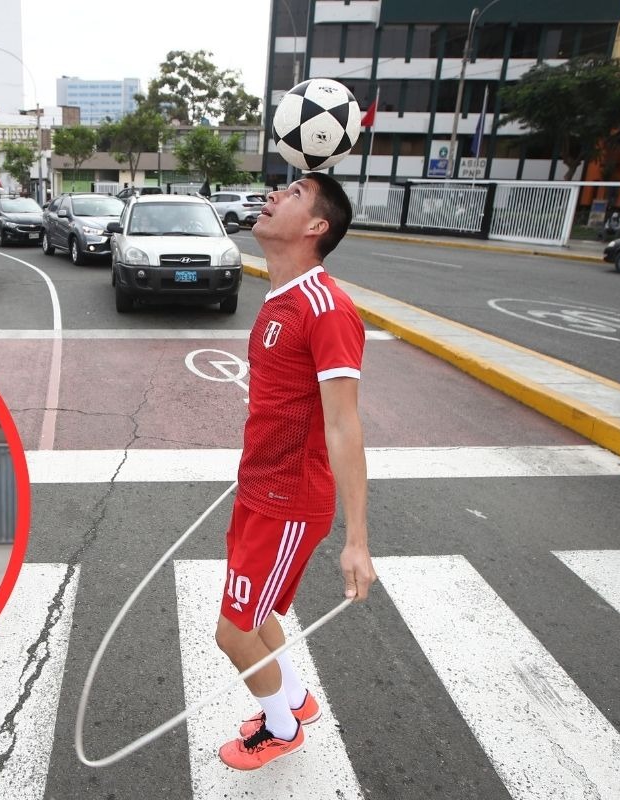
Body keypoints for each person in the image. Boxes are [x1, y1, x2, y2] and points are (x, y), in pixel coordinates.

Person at [214, 172, 377, 770]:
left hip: (288, 501)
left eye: (295, 194)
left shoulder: (326, 309)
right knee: (257, 616)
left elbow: (344, 424)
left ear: (316, 227)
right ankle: (296, 699)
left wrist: (357, 541)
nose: (273, 195)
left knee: (233, 632)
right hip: (260, 488)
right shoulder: (281, 297)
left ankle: (281, 729)